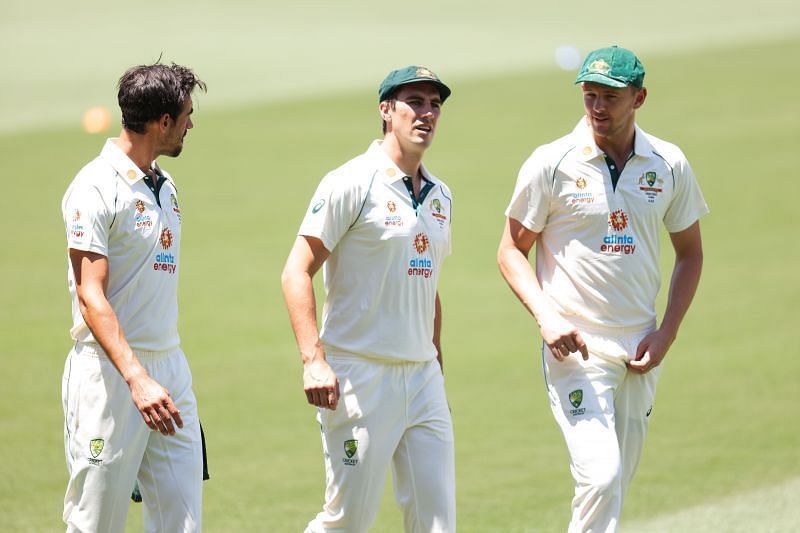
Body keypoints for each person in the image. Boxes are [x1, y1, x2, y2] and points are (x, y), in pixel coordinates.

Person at [497, 45, 708, 532]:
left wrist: (667, 333)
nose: (597, 106)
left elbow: (691, 253)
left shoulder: (668, 163)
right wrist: (547, 318)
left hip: (640, 347)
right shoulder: (552, 162)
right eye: (589, 94)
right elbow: (510, 250)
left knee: (614, 485)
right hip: (576, 348)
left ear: (640, 97)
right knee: (600, 476)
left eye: (610, 96)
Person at [281, 65, 456, 532]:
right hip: (359, 375)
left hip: (421, 380)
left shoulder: (441, 196)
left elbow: (427, 284)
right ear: (386, 111)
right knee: (347, 523)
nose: (427, 113)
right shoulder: (351, 182)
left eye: (434, 104)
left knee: (437, 523)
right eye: (414, 102)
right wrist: (313, 360)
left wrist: (435, 363)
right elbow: (295, 271)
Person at [61, 61, 207, 532]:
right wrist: (136, 378)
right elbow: (90, 296)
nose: (191, 123)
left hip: (169, 370)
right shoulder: (94, 186)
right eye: (186, 113)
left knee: (181, 522)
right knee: (96, 523)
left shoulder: (164, 184)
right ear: (162, 122)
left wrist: (157, 375)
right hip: (111, 377)